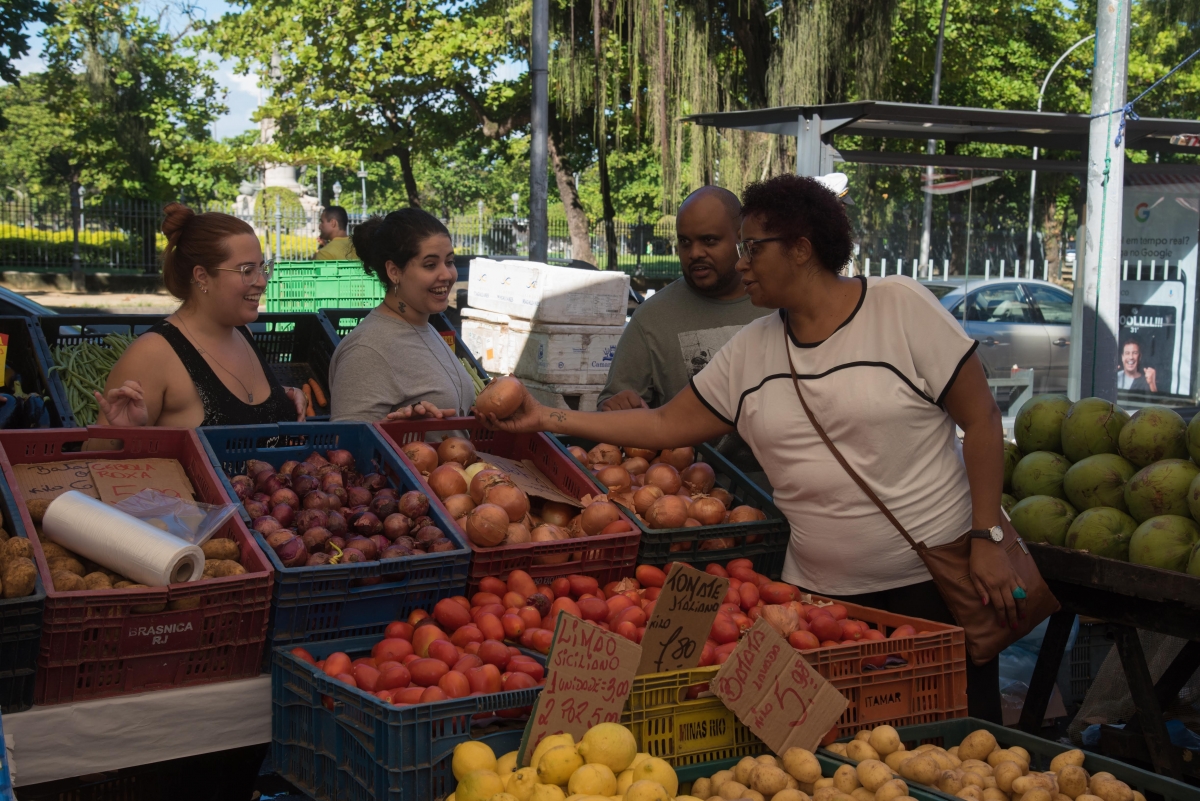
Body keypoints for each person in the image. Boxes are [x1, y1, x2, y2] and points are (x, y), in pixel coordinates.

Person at [480, 174, 1018, 721]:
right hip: (816, 603)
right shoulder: (751, 351)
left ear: (802, 249)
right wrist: (546, 417)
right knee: (844, 758)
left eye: (753, 248)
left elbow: (981, 420)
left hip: (934, 583)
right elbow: (666, 424)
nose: (741, 263)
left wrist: (988, 536)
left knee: (961, 745)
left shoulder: (899, 307)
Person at [94, 203, 306, 428]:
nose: (262, 281)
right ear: (202, 276)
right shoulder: (152, 354)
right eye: (247, 271)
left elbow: (237, 404)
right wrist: (122, 435)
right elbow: (97, 458)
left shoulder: (243, 334)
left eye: (263, 268)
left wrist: (282, 396)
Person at [599, 186, 771, 411]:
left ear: (741, 238)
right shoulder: (651, 319)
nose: (695, 253)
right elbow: (612, 410)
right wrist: (617, 407)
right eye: (685, 242)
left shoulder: (780, 304)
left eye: (709, 240)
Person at [328, 208, 475, 422]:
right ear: (394, 271)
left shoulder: (425, 327)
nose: (447, 275)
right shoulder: (365, 352)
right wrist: (400, 433)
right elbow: (346, 448)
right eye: (430, 265)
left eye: (449, 262)